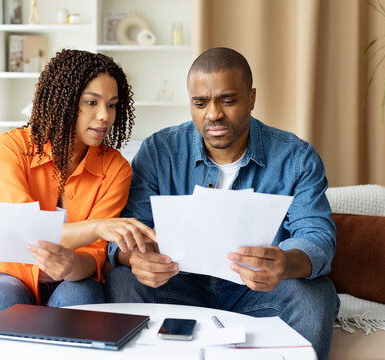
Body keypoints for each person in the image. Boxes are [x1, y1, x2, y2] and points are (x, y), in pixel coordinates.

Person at [104, 47, 340, 360]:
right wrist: (134, 258)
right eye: (200, 103)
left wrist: (285, 263)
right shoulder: (160, 151)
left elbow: (316, 233)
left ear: (252, 98)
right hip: (178, 286)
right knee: (123, 280)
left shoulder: (296, 157)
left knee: (316, 295)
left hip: (257, 290)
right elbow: (130, 229)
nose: (213, 114)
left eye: (227, 100)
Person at [0, 49, 155, 324]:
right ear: (64, 101)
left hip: (76, 279)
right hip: (11, 275)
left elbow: (96, 254)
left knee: (79, 296)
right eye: (92, 102)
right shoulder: (10, 148)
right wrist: (96, 226)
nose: (105, 115)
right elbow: (24, 229)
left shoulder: (116, 168)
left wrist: (72, 266)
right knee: (0, 299)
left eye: (113, 104)